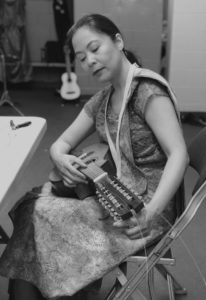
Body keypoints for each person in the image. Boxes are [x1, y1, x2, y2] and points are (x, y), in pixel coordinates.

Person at [0, 13, 189, 300]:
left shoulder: (147, 92)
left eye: (94, 48)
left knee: (44, 214)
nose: (88, 60)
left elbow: (179, 155)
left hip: (146, 207)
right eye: (81, 57)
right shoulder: (104, 99)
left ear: (117, 41)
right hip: (118, 192)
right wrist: (60, 158)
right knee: (33, 203)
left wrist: (150, 213)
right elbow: (61, 143)